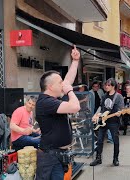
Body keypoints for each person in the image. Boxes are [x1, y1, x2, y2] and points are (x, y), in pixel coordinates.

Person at [35, 45, 81, 180]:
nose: (63, 84)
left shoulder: (52, 99)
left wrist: (75, 61)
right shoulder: (45, 102)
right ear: (50, 86)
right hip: (50, 157)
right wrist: (70, 91)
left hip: (57, 155)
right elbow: (75, 107)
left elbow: (68, 81)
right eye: (59, 82)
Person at [90, 78, 124, 166]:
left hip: (114, 121)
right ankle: (98, 158)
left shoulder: (118, 96)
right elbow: (101, 108)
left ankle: (115, 159)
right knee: (100, 140)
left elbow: (122, 109)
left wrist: (119, 113)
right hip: (103, 121)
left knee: (115, 140)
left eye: (109, 85)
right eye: (106, 85)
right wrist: (96, 115)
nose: (106, 86)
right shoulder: (104, 96)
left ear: (113, 86)